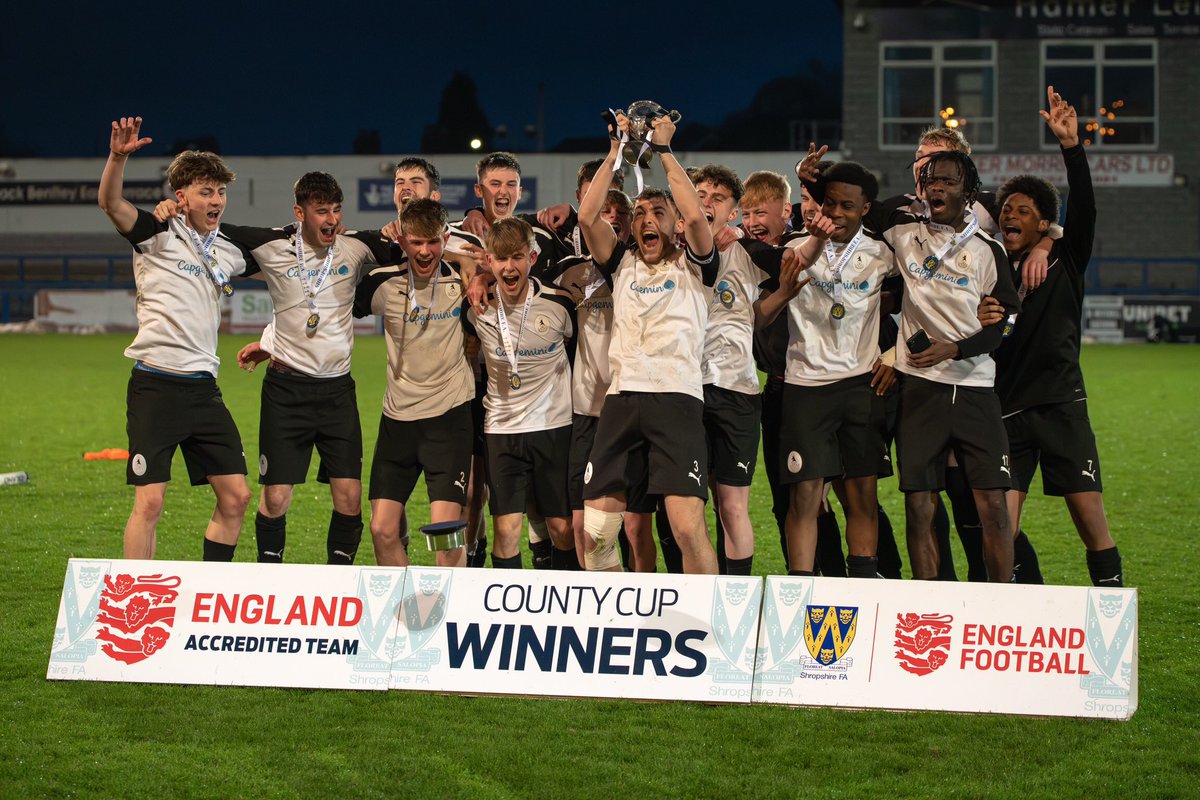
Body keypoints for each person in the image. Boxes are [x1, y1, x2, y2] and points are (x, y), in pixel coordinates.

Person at [161, 173, 396, 566]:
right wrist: (175, 212)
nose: (332, 220)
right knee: (276, 497)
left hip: (338, 393)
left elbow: (420, 243)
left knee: (350, 497)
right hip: (286, 394)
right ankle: (271, 577)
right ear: (299, 213)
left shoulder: (355, 247)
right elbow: (208, 230)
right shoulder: (271, 245)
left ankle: (339, 582)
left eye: (336, 210)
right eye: (321, 211)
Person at [979, 86, 1124, 587]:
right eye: (1006, 210)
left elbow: (1083, 208)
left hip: (1061, 405)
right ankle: (1021, 608)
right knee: (1002, 528)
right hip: (1007, 411)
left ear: (1043, 221)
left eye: (1022, 210)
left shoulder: (1065, 259)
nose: (1009, 215)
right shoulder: (990, 267)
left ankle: (1109, 606)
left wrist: (1072, 148)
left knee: (1090, 522)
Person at [98, 116, 253, 562]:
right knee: (150, 503)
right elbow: (110, 203)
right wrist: (118, 157)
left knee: (236, 496)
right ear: (180, 196)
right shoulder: (156, 233)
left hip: (204, 390)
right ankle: (136, 597)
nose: (217, 200)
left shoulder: (227, 249)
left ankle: (209, 587)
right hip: (156, 386)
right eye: (206, 192)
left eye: (221, 192)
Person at [575, 111, 720, 574]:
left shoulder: (697, 266)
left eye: (659, 213)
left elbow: (695, 214)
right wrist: (617, 151)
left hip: (676, 397)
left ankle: (714, 631)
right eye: (639, 214)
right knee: (597, 532)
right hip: (621, 399)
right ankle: (613, 617)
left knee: (686, 529)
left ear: (675, 225)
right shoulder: (622, 264)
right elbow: (586, 214)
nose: (647, 220)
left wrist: (661, 150)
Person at [875, 150, 1022, 581]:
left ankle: (1001, 603)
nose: (937, 187)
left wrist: (955, 349)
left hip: (975, 388)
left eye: (948, 181)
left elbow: (1006, 325)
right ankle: (926, 602)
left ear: (969, 191)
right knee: (920, 503)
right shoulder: (903, 232)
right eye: (930, 180)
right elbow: (864, 209)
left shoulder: (988, 251)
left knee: (993, 503)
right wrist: (812, 183)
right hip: (921, 387)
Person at [756, 162, 894, 578]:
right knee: (805, 495)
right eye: (829, 202)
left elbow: (924, 301)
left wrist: (895, 355)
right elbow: (763, 311)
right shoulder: (796, 248)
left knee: (861, 496)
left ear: (865, 208)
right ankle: (802, 588)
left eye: (847, 205)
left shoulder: (883, 253)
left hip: (859, 386)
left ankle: (863, 587)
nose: (835, 212)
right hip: (806, 386)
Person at [354, 199, 472, 568]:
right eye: (416, 242)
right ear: (402, 241)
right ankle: (404, 618)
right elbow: (325, 306)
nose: (425, 251)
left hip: (449, 418)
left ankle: (447, 620)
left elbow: (502, 257)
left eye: (433, 242)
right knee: (382, 529)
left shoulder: (463, 279)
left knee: (448, 536)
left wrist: (470, 261)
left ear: (445, 239)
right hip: (397, 421)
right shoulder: (381, 283)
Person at [464, 218, 579, 569]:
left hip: (554, 427)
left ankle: (563, 610)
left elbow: (578, 357)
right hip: (503, 430)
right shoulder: (475, 308)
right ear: (489, 260)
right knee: (507, 531)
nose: (509, 267)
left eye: (517, 257)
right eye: (500, 259)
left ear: (531, 257)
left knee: (562, 528)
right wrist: (476, 277)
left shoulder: (560, 304)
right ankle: (508, 614)